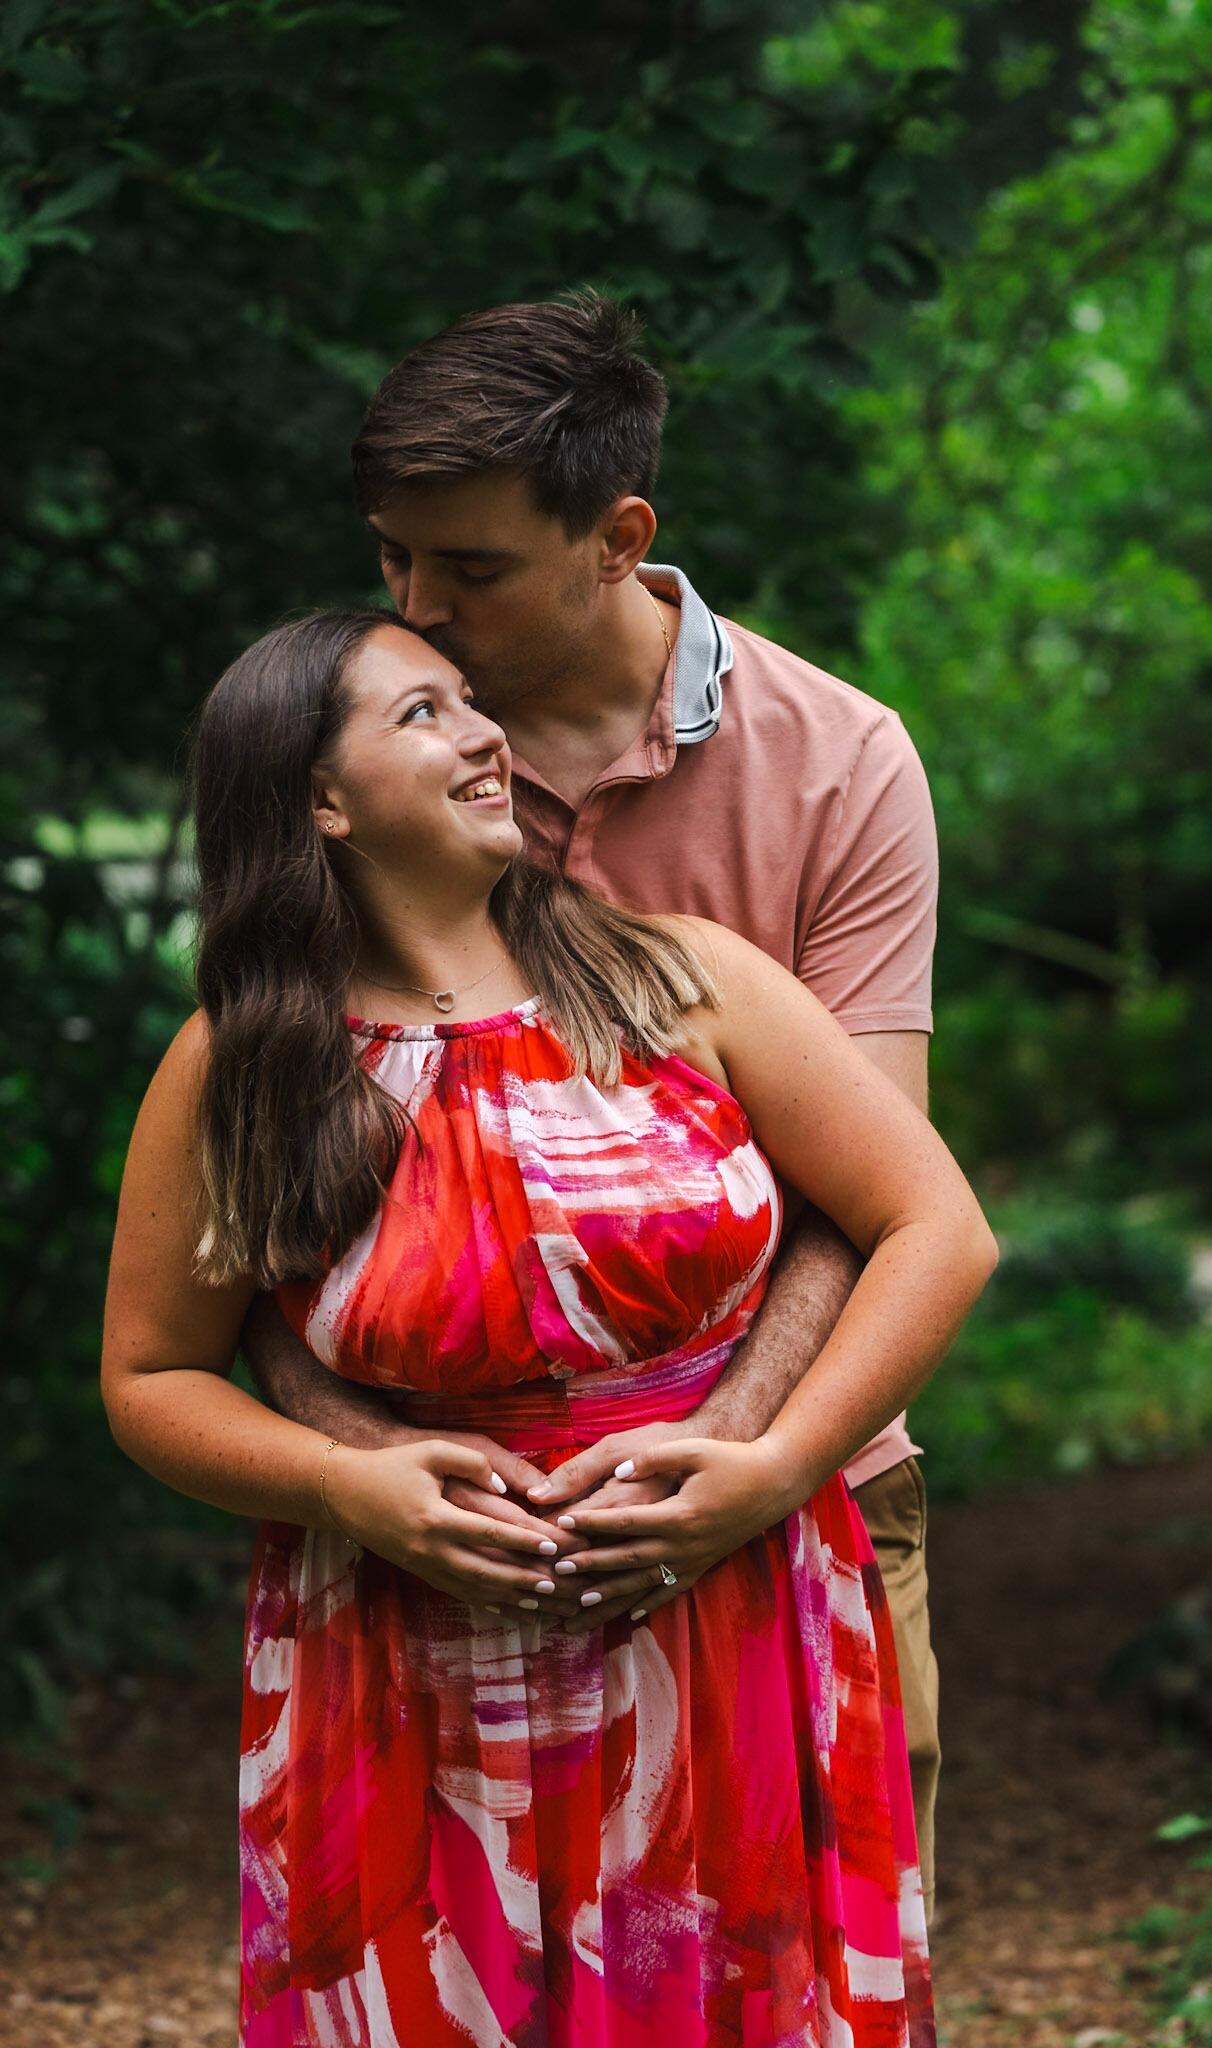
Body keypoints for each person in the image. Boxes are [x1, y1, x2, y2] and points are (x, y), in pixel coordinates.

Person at [101, 607, 997, 2042]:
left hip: (729, 1617)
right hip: (402, 1649)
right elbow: (151, 1374)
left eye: (470, 703)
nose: (481, 734)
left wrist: (770, 1470)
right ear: (319, 801)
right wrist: (348, 1481)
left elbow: (935, 1230)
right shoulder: (244, 1066)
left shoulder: (679, 978)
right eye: (421, 715)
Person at [241, 292, 952, 1920]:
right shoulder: (364, 751)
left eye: (469, 570)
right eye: (391, 561)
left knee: (786, 1969)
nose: (418, 608)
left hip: (801, 1483)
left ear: (620, 534)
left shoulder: (836, 766)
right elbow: (256, 1194)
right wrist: (364, 1460)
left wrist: (735, 1455)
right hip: (428, 1542)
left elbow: (878, 1191)